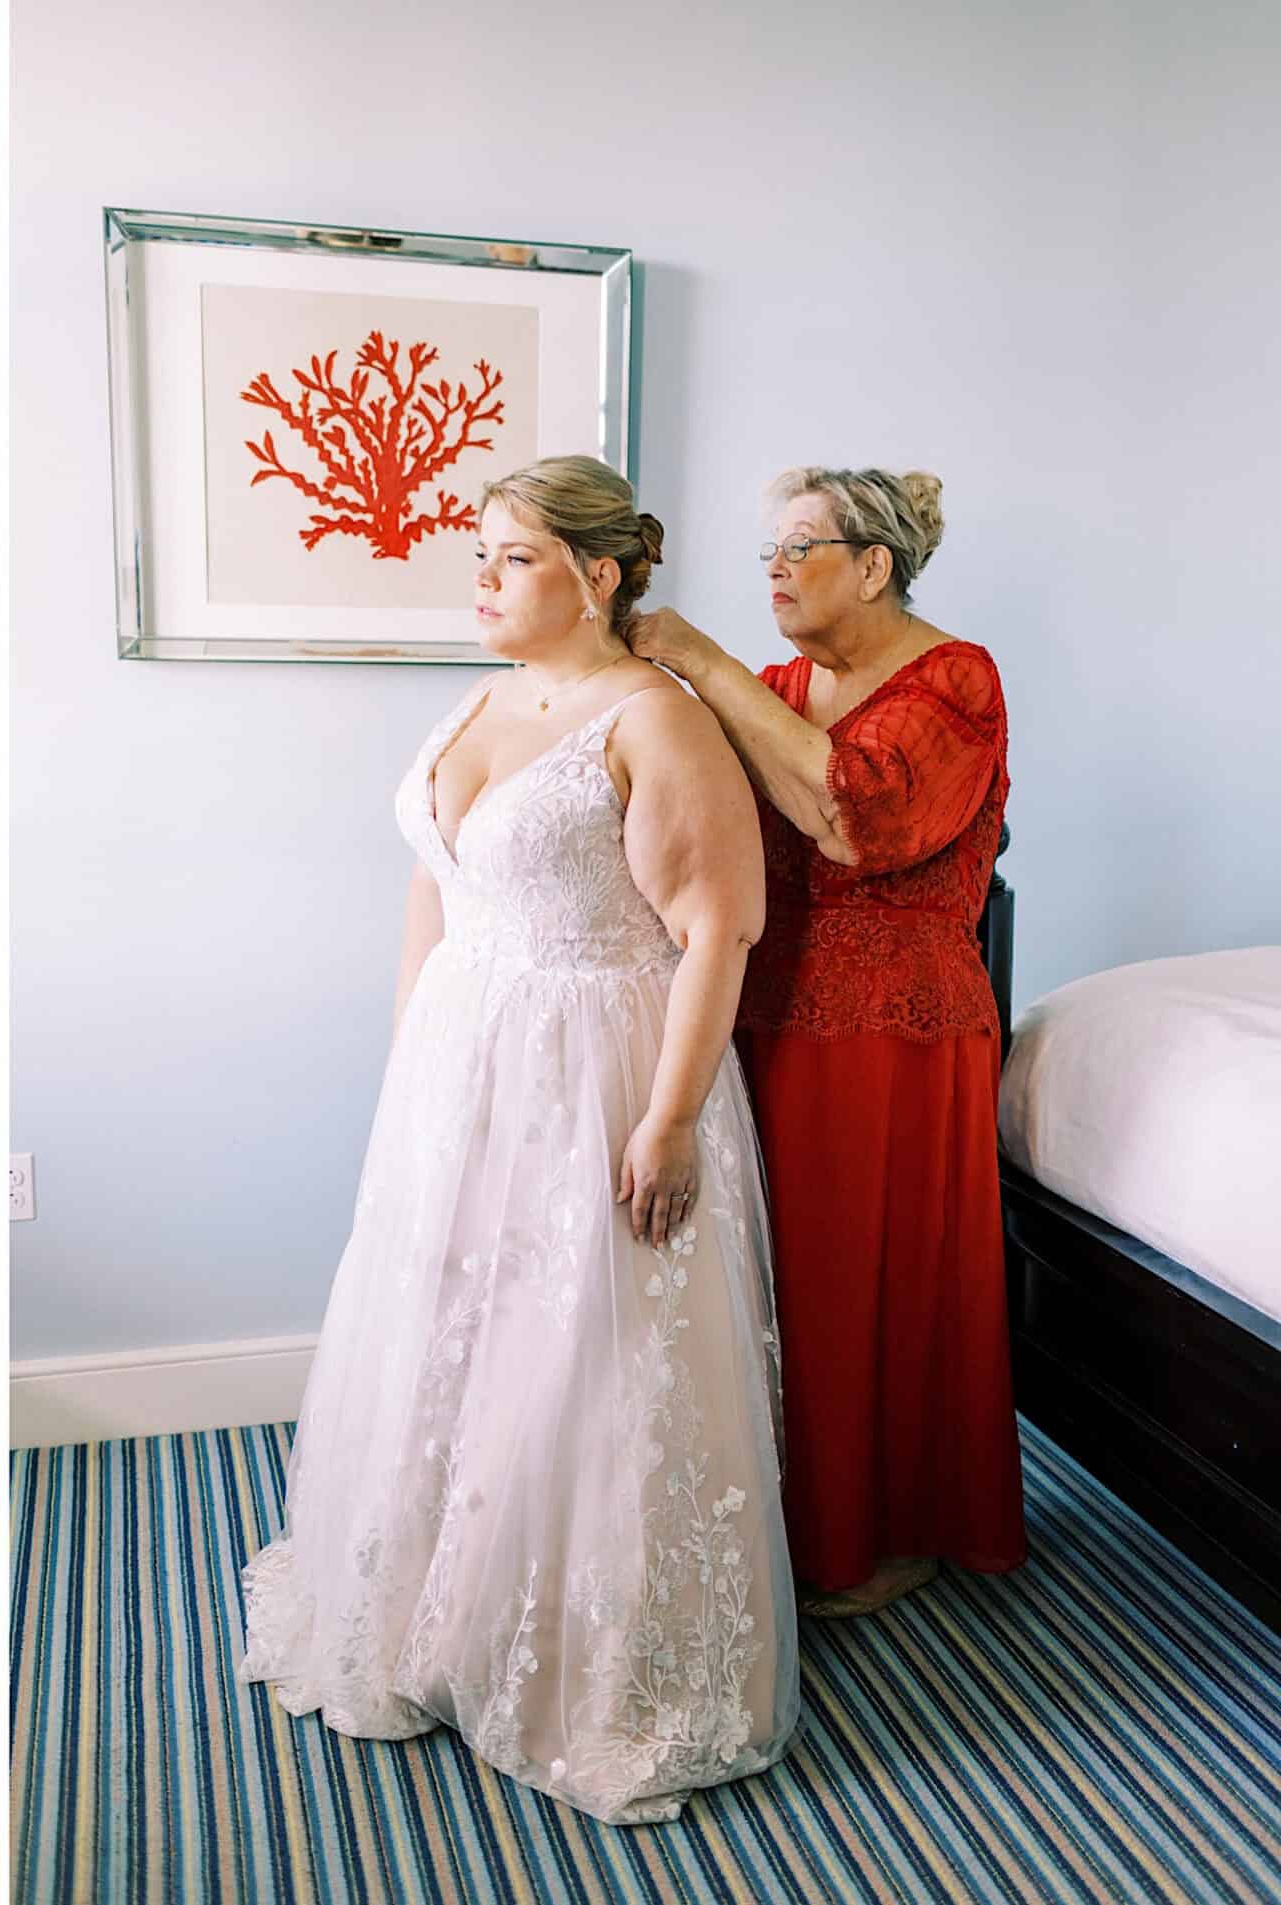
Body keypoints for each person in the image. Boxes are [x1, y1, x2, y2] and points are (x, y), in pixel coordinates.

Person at [240, 456, 799, 1825]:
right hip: (461, 1065)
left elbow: (718, 928)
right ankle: (435, 1611)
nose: (480, 579)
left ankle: (586, 1666)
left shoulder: (655, 722)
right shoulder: (488, 698)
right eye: (478, 556)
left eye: (511, 557)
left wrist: (668, 1120)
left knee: (583, 1355)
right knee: (454, 1330)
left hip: (596, 1066)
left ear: (599, 576)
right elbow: (437, 887)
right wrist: (408, 1064)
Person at [630, 466, 1023, 1617]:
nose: (773, 569)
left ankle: (886, 1532)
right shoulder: (781, 685)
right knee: (774, 1278)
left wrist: (697, 663)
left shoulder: (956, 680)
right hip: (765, 1009)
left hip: (892, 1034)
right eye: (769, 551)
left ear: (871, 567)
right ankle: (773, 1520)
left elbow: (859, 819)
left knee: (871, 1283)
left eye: (799, 548)